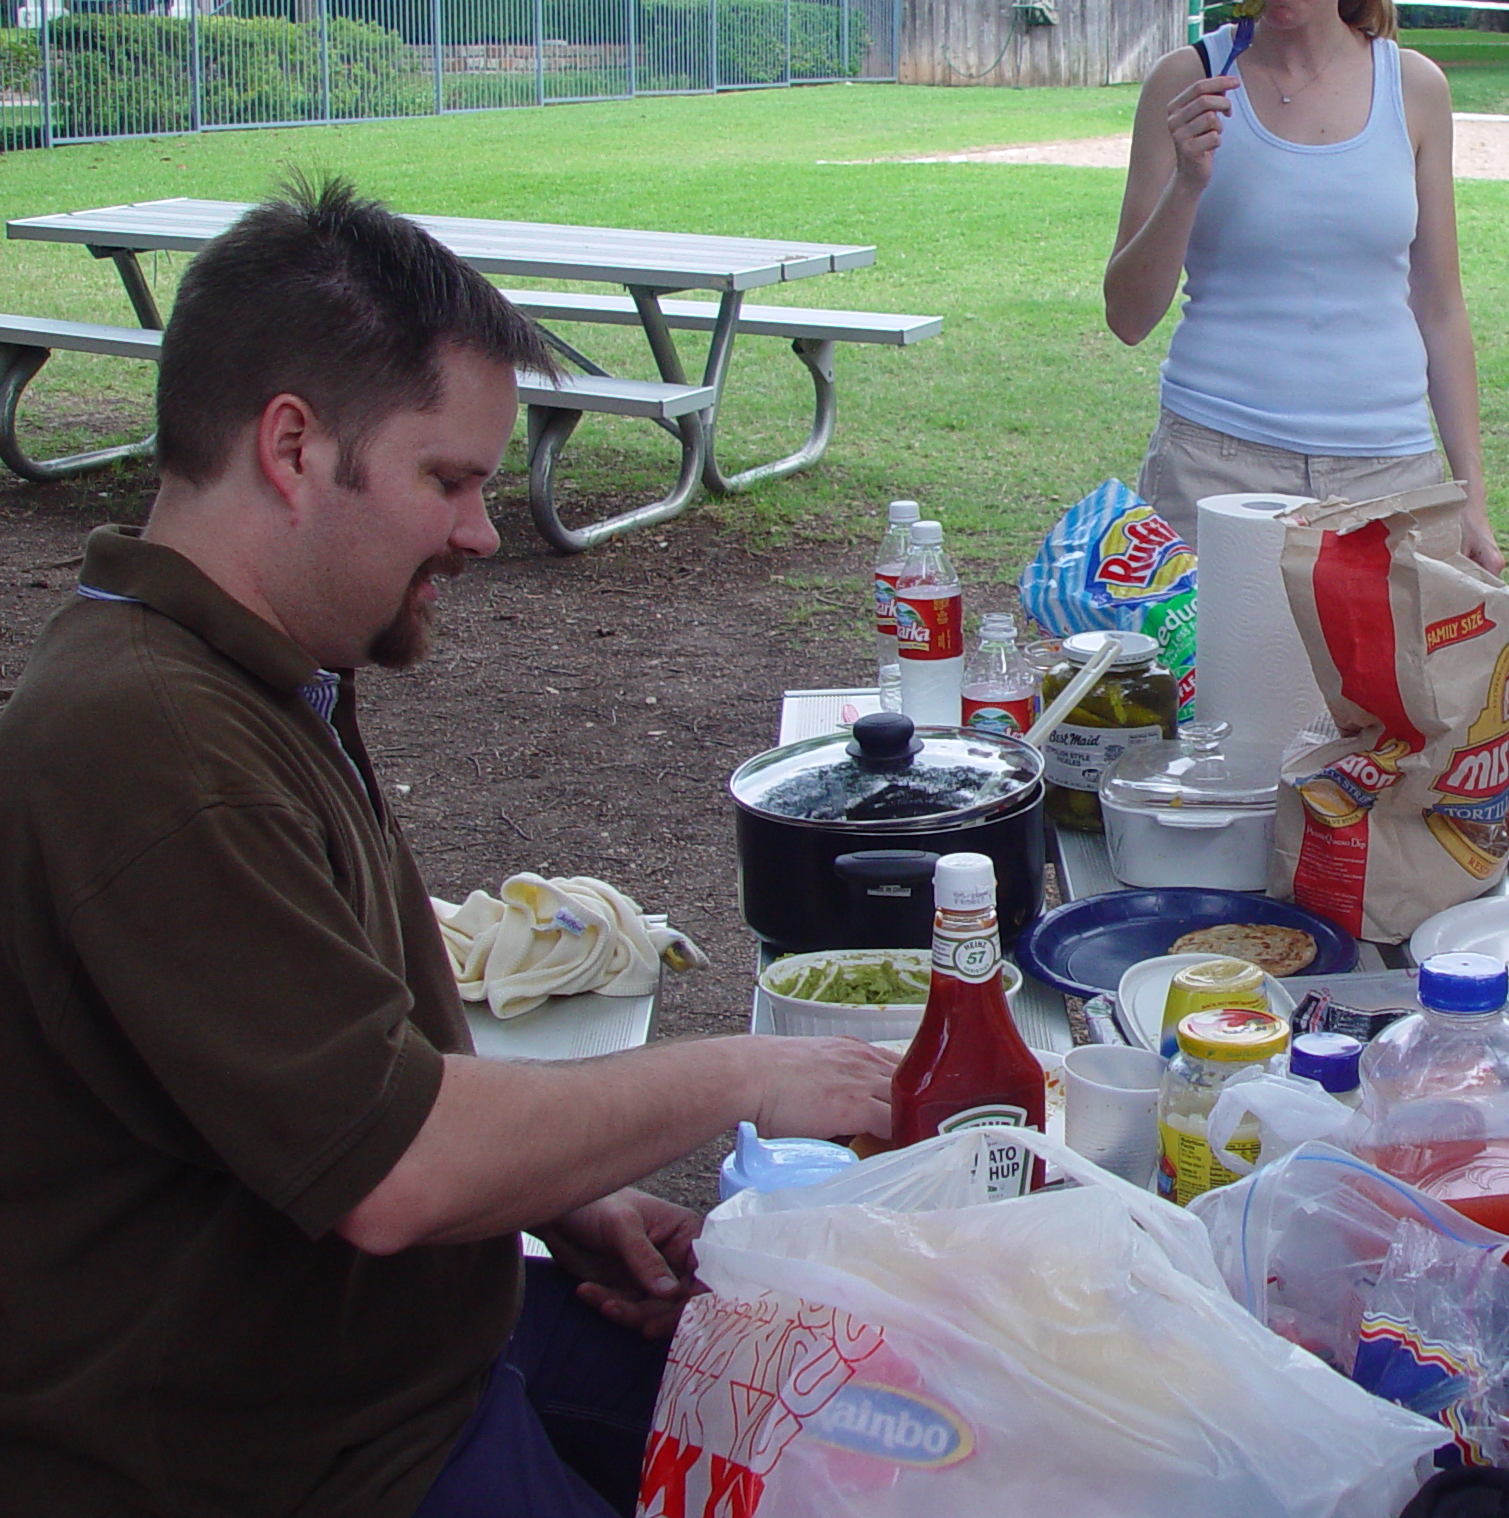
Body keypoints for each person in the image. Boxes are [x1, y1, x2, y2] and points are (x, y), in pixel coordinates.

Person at [0, 179, 894, 1516]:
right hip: (294, 1455)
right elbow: (396, 1165)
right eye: (449, 479)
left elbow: (327, 1070)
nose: (482, 529)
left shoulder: (253, 666)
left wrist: (558, 1193)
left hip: (415, 1345)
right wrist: (746, 1072)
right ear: (292, 448)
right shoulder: (154, 747)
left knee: (858, 1419)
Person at [1105, 0, 1503, 573]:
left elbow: (1441, 307)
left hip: (1390, 474)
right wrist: (1188, 182)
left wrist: (1470, 497)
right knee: (1220, 695)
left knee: (1383, 698)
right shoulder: (1188, 82)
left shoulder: (1414, 88)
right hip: (1216, 465)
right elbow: (1127, 316)